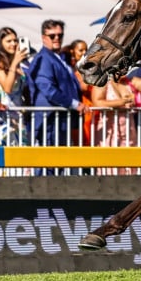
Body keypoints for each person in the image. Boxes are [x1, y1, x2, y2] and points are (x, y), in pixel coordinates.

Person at [27, 20, 89, 176]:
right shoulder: (44, 58)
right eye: (52, 35)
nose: (56, 38)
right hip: (49, 121)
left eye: (60, 35)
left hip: (60, 121)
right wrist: (74, 104)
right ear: (43, 37)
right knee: (48, 166)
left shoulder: (57, 58)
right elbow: (48, 89)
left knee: (58, 166)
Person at [91, 63, 141, 176]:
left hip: (129, 129)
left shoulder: (129, 81)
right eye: (122, 66)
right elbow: (97, 102)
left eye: (126, 67)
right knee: (110, 163)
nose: (125, 69)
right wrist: (121, 103)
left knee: (129, 163)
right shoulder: (103, 82)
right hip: (109, 130)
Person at [0, 27, 31, 162]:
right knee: (11, 156)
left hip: (21, 116)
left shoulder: (22, 63)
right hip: (6, 116)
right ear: (1, 43)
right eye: (8, 41)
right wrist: (14, 63)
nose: (13, 44)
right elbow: (7, 88)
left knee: (24, 157)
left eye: (15, 40)